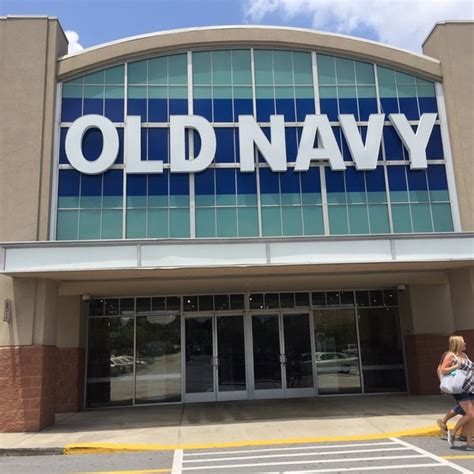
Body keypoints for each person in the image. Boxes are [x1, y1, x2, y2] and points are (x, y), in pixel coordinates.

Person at [438, 335, 474, 449]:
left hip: (469, 387)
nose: (465, 344)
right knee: (471, 414)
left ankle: (469, 443)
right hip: (459, 389)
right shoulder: (450, 355)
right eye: (463, 342)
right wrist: (456, 366)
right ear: (457, 343)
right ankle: (453, 431)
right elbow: (442, 370)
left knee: (472, 416)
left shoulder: (464, 355)